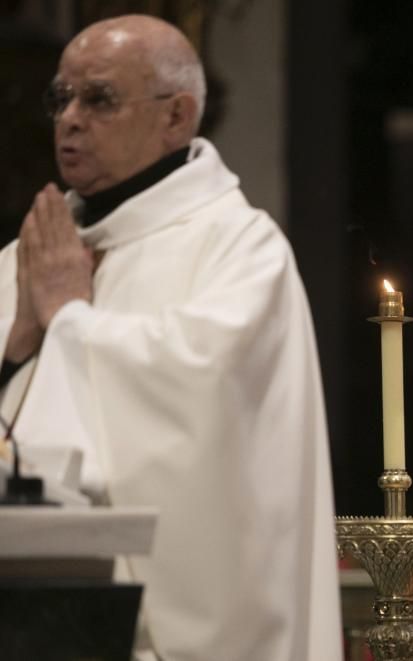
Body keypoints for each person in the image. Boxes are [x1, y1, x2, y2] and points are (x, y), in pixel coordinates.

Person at [0, 15, 342, 661]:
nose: (68, 119)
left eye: (97, 98)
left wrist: (70, 319)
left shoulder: (240, 248)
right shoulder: (35, 252)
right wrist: (19, 342)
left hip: (158, 627)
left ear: (177, 116)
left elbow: (204, 389)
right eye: (60, 98)